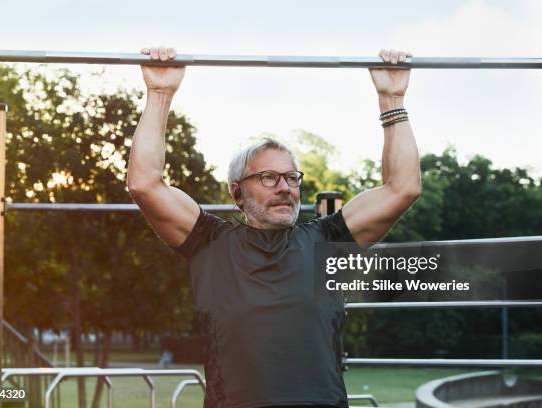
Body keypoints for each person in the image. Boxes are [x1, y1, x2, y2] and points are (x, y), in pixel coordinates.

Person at [127, 46, 421, 408]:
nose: (285, 187)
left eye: (291, 178)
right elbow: (145, 184)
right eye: (267, 177)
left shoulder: (326, 241)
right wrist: (159, 93)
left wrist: (392, 98)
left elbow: (403, 187)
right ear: (237, 192)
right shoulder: (210, 242)